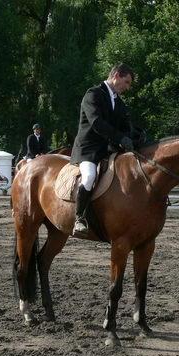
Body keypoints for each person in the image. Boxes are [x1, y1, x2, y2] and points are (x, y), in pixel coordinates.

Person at [70, 63, 135, 237]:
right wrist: (120, 138)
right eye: (127, 82)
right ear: (117, 75)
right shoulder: (93, 94)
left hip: (108, 150)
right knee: (89, 176)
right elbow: (97, 123)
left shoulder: (119, 103)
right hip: (88, 149)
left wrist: (134, 136)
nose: (127, 87)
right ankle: (79, 218)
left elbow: (125, 126)